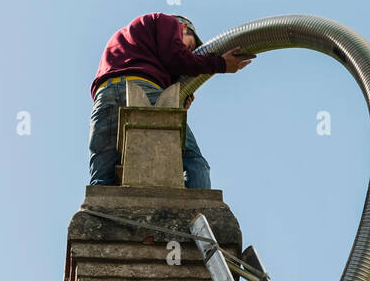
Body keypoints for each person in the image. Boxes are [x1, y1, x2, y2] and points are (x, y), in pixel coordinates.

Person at [88, 13, 255, 188]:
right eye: (189, 47)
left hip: (104, 96)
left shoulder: (130, 41)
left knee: (102, 179)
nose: (189, 53)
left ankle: (97, 215)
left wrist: (178, 100)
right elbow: (177, 58)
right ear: (183, 27)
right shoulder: (166, 21)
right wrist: (220, 64)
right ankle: (197, 211)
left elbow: (168, 62)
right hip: (141, 89)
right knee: (193, 161)